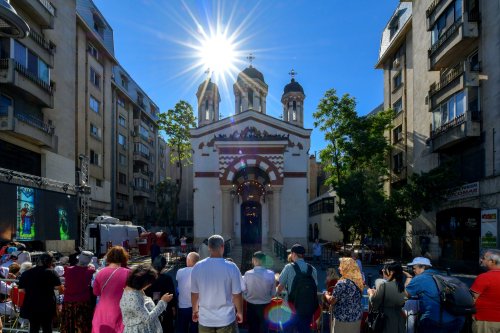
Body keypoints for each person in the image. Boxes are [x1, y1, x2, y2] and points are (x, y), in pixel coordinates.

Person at [191, 235, 243, 333]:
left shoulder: (198, 267)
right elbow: (237, 294)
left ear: (209, 248)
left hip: (205, 319)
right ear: (222, 247)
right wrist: (239, 312)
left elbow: (194, 293)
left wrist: (195, 310)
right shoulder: (232, 267)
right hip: (226, 319)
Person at [405, 257, 464, 332]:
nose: (413, 270)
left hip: (435, 321)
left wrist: (409, 276)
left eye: (414, 268)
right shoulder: (442, 275)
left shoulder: (420, 278)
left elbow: (406, 294)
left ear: (422, 267)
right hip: (456, 320)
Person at [277, 243, 318, 333]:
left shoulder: (288, 267)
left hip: (291, 308)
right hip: (308, 308)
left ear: (294, 254)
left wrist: (276, 293)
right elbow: (315, 287)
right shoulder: (312, 269)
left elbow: (280, 286)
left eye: (291, 253)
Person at [120, 264, 174, 333]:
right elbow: (147, 318)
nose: (150, 285)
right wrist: (163, 302)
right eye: (149, 283)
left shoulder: (135, 290)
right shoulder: (133, 297)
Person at [18, 252, 62, 333]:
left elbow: (21, 290)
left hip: (31, 304)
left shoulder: (26, 273)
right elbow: (58, 288)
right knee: (47, 327)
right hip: (47, 305)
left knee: (34, 328)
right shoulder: (52, 272)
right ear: (50, 262)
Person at [92, 246, 130, 333]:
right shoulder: (128, 272)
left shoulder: (99, 272)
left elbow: (96, 292)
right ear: (124, 257)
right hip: (120, 309)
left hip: (102, 309)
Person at [324, 257, 363, 333]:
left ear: (346, 267)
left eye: (341, 266)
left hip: (342, 320)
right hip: (356, 318)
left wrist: (326, 295)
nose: (339, 268)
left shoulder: (342, 283)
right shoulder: (358, 281)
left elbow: (332, 301)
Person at [60, 251, 96, 333]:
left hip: (68, 301)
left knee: (68, 325)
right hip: (83, 302)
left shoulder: (67, 270)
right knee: (82, 326)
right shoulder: (91, 272)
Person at [367, 261, 406, 332]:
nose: (382, 270)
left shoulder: (383, 285)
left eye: (384, 269)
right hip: (399, 319)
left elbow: (374, 304)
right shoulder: (401, 286)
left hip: (386, 319)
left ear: (391, 272)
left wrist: (371, 294)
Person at [242, 251, 275, 333]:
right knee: (264, 329)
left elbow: (243, 291)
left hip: (251, 305)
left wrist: (247, 298)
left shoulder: (247, 274)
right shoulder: (271, 274)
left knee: (253, 329)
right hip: (265, 305)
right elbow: (273, 293)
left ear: (253, 260)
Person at [470, 249, 500, 333]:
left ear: (492, 261)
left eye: (483, 258)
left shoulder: (484, 277)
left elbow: (471, 299)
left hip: (486, 321)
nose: (481, 260)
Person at [145, 256, 177, 332]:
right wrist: (173, 307)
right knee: (167, 327)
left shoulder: (147, 277)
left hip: (150, 306)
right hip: (165, 306)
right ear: (163, 266)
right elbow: (171, 293)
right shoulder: (166, 278)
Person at [176, 252, 200, 333]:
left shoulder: (179, 272)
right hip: (197, 307)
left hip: (183, 306)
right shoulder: (200, 272)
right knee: (195, 329)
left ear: (188, 260)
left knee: (182, 328)